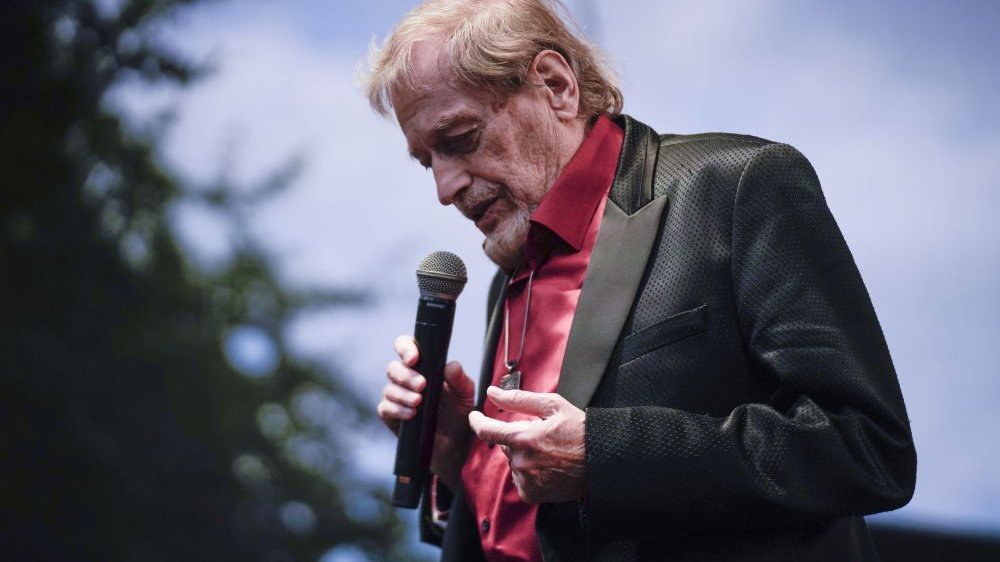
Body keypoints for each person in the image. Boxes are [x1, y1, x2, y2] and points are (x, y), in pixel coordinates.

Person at [367, 1, 916, 560]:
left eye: (460, 138)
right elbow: (537, 530)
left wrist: (603, 457)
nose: (445, 188)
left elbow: (866, 449)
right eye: (427, 161)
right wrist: (461, 455)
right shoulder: (507, 281)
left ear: (555, 86)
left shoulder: (735, 187)